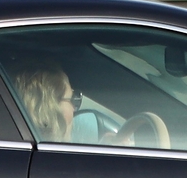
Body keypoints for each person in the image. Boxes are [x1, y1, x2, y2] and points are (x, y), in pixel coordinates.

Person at [9, 62, 169, 148]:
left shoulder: (25, 155)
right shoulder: (46, 161)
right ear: (50, 108)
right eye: (71, 100)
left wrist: (103, 149)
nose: (74, 109)